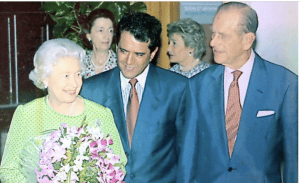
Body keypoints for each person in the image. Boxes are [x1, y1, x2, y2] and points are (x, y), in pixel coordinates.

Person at [179, 2, 298, 182]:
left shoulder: (285, 84)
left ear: (247, 40)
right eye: (213, 34)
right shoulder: (197, 85)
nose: (212, 42)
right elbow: (187, 155)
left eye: (223, 36)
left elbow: (294, 160)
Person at [81, 12, 188, 182]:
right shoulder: (91, 90)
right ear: (116, 47)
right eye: (124, 51)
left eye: (139, 54)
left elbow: (188, 152)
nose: (129, 61)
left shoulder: (177, 88)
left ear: (153, 54)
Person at [0, 38, 127, 182]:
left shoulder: (100, 114)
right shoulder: (27, 114)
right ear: (45, 78)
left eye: (78, 74)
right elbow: (8, 171)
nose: (74, 83)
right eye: (66, 76)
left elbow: (118, 165)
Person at [81, 8, 118, 79]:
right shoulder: (81, 63)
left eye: (110, 31)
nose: (106, 36)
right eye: (100, 30)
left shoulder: (119, 64)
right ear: (89, 36)